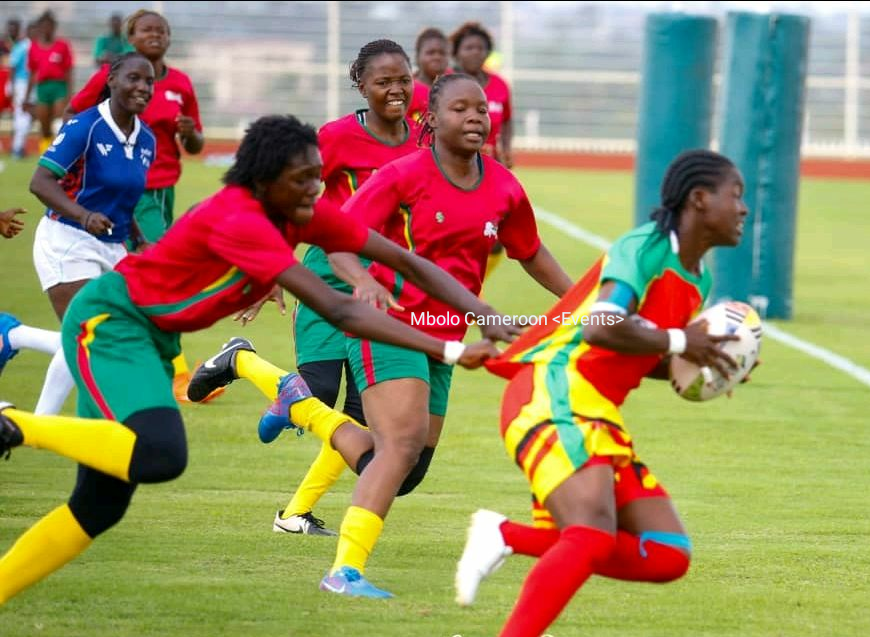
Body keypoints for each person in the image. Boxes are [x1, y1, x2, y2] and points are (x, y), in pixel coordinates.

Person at [0, 114, 515, 606]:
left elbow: (402, 259)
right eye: (304, 179)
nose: (317, 188)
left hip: (149, 339)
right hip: (110, 324)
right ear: (265, 180)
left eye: (318, 176)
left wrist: (481, 311)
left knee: (99, 505)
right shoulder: (240, 216)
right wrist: (448, 347)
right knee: (161, 453)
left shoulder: (297, 211)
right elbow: (338, 307)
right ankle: (12, 425)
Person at [209, 73, 572, 599]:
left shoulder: (504, 186)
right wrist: (362, 283)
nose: (474, 118)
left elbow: (531, 252)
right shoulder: (403, 176)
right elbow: (338, 240)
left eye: (480, 111)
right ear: (432, 120)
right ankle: (344, 573)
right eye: (459, 110)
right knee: (398, 447)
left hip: (449, 332)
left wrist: (585, 301)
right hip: (391, 328)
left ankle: (296, 400)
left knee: (406, 469)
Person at [453, 149, 750, 637]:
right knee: (590, 533)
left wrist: (705, 366)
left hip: (595, 410)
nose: (743, 209)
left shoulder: (700, 279)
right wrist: (681, 341)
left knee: (667, 553)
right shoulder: (646, 247)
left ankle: (505, 535)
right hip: (553, 389)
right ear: (699, 199)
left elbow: (641, 352)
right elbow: (602, 327)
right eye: (734, 196)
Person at [260, 38, 421, 536]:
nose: (395, 90)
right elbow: (286, 196)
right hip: (330, 274)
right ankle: (244, 364)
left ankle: (295, 515)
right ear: (361, 84)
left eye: (403, 80)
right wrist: (271, 267)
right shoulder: (334, 138)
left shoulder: (425, 138)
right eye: (383, 82)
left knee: (364, 418)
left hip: (389, 286)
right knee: (322, 389)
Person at [68, 9, 206, 402]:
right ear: (131, 36)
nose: (156, 35)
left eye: (162, 30)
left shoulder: (180, 83)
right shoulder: (116, 74)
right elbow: (73, 114)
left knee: (136, 273)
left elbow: (195, 146)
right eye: (147, 30)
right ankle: (176, 372)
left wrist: (190, 132)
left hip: (165, 192)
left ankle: (126, 350)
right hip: (132, 192)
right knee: (166, 271)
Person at [28, 52, 156, 416]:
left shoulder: (146, 140)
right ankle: (43, 426)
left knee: (97, 337)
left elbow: (123, 198)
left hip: (113, 246)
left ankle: (13, 340)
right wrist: (83, 216)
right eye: (133, 78)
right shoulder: (85, 126)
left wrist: (140, 238)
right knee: (89, 335)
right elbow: (40, 182)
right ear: (112, 80)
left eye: (149, 82)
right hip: (66, 238)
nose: (142, 88)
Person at [449, 21, 512, 168]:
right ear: (456, 53)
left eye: (480, 48)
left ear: (488, 52)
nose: (475, 52)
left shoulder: (500, 84)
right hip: (453, 164)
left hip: (490, 163)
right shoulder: (445, 83)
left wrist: (506, 148)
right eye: (469, 48)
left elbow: (507, 120)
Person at [26, 10, 73, 155]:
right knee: (44, 125)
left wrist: (69, 94)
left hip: (58, 86)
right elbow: (32, 73)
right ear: (40, 28)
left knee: (59, 122)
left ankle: (61, 153)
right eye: (44, 26)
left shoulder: (62, 45)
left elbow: (68, 71)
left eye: (49, 26)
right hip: (42, 88)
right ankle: (45, 154)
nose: (46, 29)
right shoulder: (33, 47)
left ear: (54, 27)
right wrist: (27, 97)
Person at [409, 27, 448, 123]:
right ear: (418, 56)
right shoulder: (408, 89)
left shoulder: (457, 84)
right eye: (431, 53)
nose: (437, 57)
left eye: (442, 53)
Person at [8, 20, 33, 158]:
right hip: (22, 83)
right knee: (21, 115)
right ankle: (17, 148)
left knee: (27, 117)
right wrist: (11, 86)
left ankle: (20, 147)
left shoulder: (32, 46)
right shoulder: (23, 46)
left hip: (32, 84)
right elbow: (12, 67)